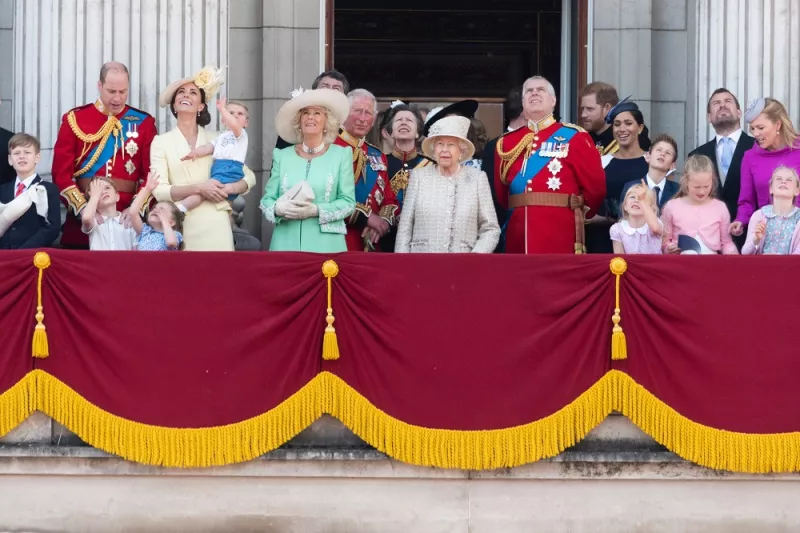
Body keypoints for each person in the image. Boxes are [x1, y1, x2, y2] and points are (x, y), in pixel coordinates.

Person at [493, 76, 605, 254]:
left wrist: (581, 215)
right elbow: (502, 194)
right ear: (523, 102)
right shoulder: (507, 142)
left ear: (553, 101)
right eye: (529, 91)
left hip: (559, 230)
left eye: (540, 89)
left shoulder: (576, 137)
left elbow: (595, 188)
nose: (534, 93)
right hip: (518, 232)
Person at [52, 61, 157, 248]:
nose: (117, 98)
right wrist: (85, 209)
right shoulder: (75, 119)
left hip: (127, 222)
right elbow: (61, 175)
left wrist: (135, 209)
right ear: (99, 86)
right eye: (111, 91)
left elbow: (151, 174)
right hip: (83, 223)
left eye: (123, 92)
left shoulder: (144, 122)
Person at [150, 66, 256, 251]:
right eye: (181, 92)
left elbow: (249, 177)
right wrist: (200, 188)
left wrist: (227, 188)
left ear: (201, 106)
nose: (186, 95)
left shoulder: (219, 138)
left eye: (193, 92)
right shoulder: (161, 142)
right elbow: (160, 190)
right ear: (174, 105)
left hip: (216, 222)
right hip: (181, 223)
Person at [260, 88, 355, 252]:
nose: (310, 117)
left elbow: (348, 203)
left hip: (327, 246)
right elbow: (266, 201)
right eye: (305, 113)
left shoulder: (341, 155)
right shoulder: (282, 156)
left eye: (317, 113)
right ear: (299, 120)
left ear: (327, 121)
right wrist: (277, 208)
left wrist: (317, 210)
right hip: (285, 245)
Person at [395, 115, 499, 253]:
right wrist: (403, 266)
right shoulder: (419, 177)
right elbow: (405, 227)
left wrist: (475, 258)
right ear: (433, 149)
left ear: (461, 151)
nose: (444, 150)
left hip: (463, 265)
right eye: (439, 144)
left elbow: (490, 229)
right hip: (421, 263)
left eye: (451, 145)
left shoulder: (477, 179)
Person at [688, 88, 754, 248]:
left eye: (728, 101)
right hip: (708, 241)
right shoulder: (696, 155)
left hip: (750, 237)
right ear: (709, 117)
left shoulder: (757, 148)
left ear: (739, 113)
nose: (722, 105)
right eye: (716, 103)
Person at [334, 88, 398, 251]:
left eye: (368, 113)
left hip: (369, 243)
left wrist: (381, 222)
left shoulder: (377, 155)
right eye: (357, 111)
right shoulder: (329, 149)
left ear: (374, 118)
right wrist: (367, 218)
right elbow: (328, 196)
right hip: (337, 239)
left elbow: (389, 199)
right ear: (344, 113)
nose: (362, 118)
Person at [730, 97, 800, 239]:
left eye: (760, 128)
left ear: (777, 124)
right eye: (753, 129)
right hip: (767, 236)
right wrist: (740, 220)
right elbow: (746, 201)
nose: (755, 134)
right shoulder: (750, 157)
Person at [586, 98, 650, 253]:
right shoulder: (601, 162)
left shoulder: (652, 162)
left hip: (643, 243)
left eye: (628, 123)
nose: (622, 129)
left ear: (640, 127)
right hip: (604, 240)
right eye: (617, 124)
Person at [179, 98, 249, 209]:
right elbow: (208, 147)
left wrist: (222, 109)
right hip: (218, 168)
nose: (235, 116)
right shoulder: (222, 136)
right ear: (223, 121)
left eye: (240, 114)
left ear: (246, 123)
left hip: (229, 167)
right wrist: (195, 152)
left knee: (206, 190)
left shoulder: (240, 134)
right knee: (209, 192)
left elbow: (234, 124)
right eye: (231, 113)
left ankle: (182, 208)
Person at [381, 102, 433, 252]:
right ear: (390, 132)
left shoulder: (430, 166)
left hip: (420, 238)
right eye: (399, 120)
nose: (403, 122)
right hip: (386, 235)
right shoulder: (379, 162)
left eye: (409, 120)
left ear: (418, 133)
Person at [662, 154, 738, 255]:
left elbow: (726, 242)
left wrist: (733, 254)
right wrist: (668, 248)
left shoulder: (720, 207)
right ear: (685, 182)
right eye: (696, 187)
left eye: (706, 186)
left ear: (713, 181)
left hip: (710, 265)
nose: (702, 192)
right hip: (680, 265)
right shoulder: (671, 207)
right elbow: (663, 241)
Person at [0, 134, 60, 249]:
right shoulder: (2, 190)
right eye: (16, 153)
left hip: (34, 256)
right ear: (10, 159)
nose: (22, 157)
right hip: (4, 257)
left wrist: (25, 250)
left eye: (27, 152)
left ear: (37, 157)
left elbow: (53, 227)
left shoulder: (49, 190)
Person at [275, 70, 350, 150]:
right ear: (314, 90)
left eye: (336, 88)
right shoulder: (296, 123)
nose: (329, 90)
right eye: (325, 86)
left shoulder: (348, 130)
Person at [742, 166, 800, 255]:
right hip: (762, 267)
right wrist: (756, 239)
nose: (783, 182)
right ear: (771, 189)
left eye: (789, 180)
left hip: (790, 268)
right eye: (778, 179)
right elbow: (745, 253)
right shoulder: (759, 215)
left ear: (797, 191)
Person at [620, 133, 680, 210]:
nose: (662, 154)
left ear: (672, 165)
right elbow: (624, 218)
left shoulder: (678, 191)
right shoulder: (631, 187)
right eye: (659, 150)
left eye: (668, 153)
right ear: (648, 156)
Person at [129, 172, 183, 251]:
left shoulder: (175, 234)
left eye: (162, 209)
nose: (155, 210)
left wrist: (165, 222)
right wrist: (147, 189)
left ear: (171, 222)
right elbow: (133, 212)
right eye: (154, 208)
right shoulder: (144, 231)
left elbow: (171, 242)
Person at [81, 177, 137, 250]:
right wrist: (95, 196)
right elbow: (86, 218)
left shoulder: (128, 221)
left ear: (117, 196)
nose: (104, 192)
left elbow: (136, 251)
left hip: (124, 261)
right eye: (98, 191)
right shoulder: (94, 221)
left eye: (107, 188)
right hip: (100, 261)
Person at [610, 182, 662, 254]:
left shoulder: (655, 223)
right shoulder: (617, 229)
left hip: (653, 265)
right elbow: (619, 259)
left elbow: (655, 229)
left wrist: (643, 203)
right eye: (632, 197)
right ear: (625, 206)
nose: (636, 200)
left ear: (651, 209)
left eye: (643, 198)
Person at [579, 81, 620, 156]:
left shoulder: (623, 140)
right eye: (583, 109)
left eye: (590, 109)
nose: (583, 115)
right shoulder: (581, 139)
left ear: (607, 108)